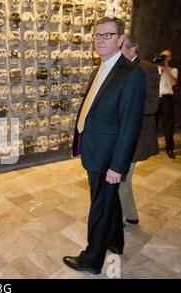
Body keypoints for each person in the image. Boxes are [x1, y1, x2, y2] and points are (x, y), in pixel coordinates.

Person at [64, 17, 146, 274]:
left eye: (107, 35)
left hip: (109, 156)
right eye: (97, 35)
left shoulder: (132, 74)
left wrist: (117, 166)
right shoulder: (98, 69)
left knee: (99, 207)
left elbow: (130, 125)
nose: (100, 39)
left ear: (120, 39)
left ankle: (91, 260)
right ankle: (115, 241)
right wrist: (80, 140)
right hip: (94, 149)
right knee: (109, 201)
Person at [119, 36, 160, 225]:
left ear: (133, 48)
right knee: (121, 179)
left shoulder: (148, 69)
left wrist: (125, 105)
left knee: (121, 180)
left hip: (137, 134)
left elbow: (151, 104)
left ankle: (117, 221)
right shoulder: (119, 68)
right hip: (120, 133)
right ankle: (132, 215)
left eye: (121, 48)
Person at [155, 50, 178, 159]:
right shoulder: (155, 69)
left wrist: (166, 70)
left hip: (167, 99)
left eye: (167, 56)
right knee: (152, 124)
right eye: (163, 55)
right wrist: (159, 68)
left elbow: (174, 83)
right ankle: (152, 146)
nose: (165, 57)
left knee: (168, 125)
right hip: (155, 99)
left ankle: (169, 148)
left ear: (170, 58)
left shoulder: (173, 70)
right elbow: (152, 82)